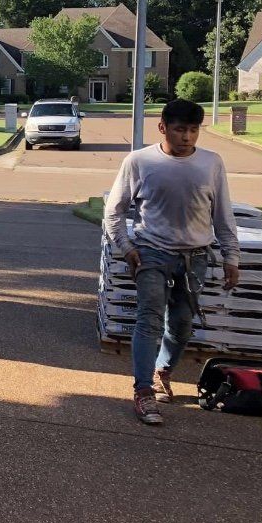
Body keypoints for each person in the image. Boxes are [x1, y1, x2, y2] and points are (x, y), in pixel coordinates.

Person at [104, 99, 240, 426]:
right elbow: (114, 210)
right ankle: (143, 391)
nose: (187, 137)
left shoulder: (211, 164)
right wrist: (126, 247)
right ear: (163, 126)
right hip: (151, 251)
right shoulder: (139, 162)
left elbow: (223, 215)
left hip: (195, 258)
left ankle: (163, 368)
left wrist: (231, 257)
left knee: (181, 324)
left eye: (194, 130)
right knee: (149, 318)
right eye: (180, 129)